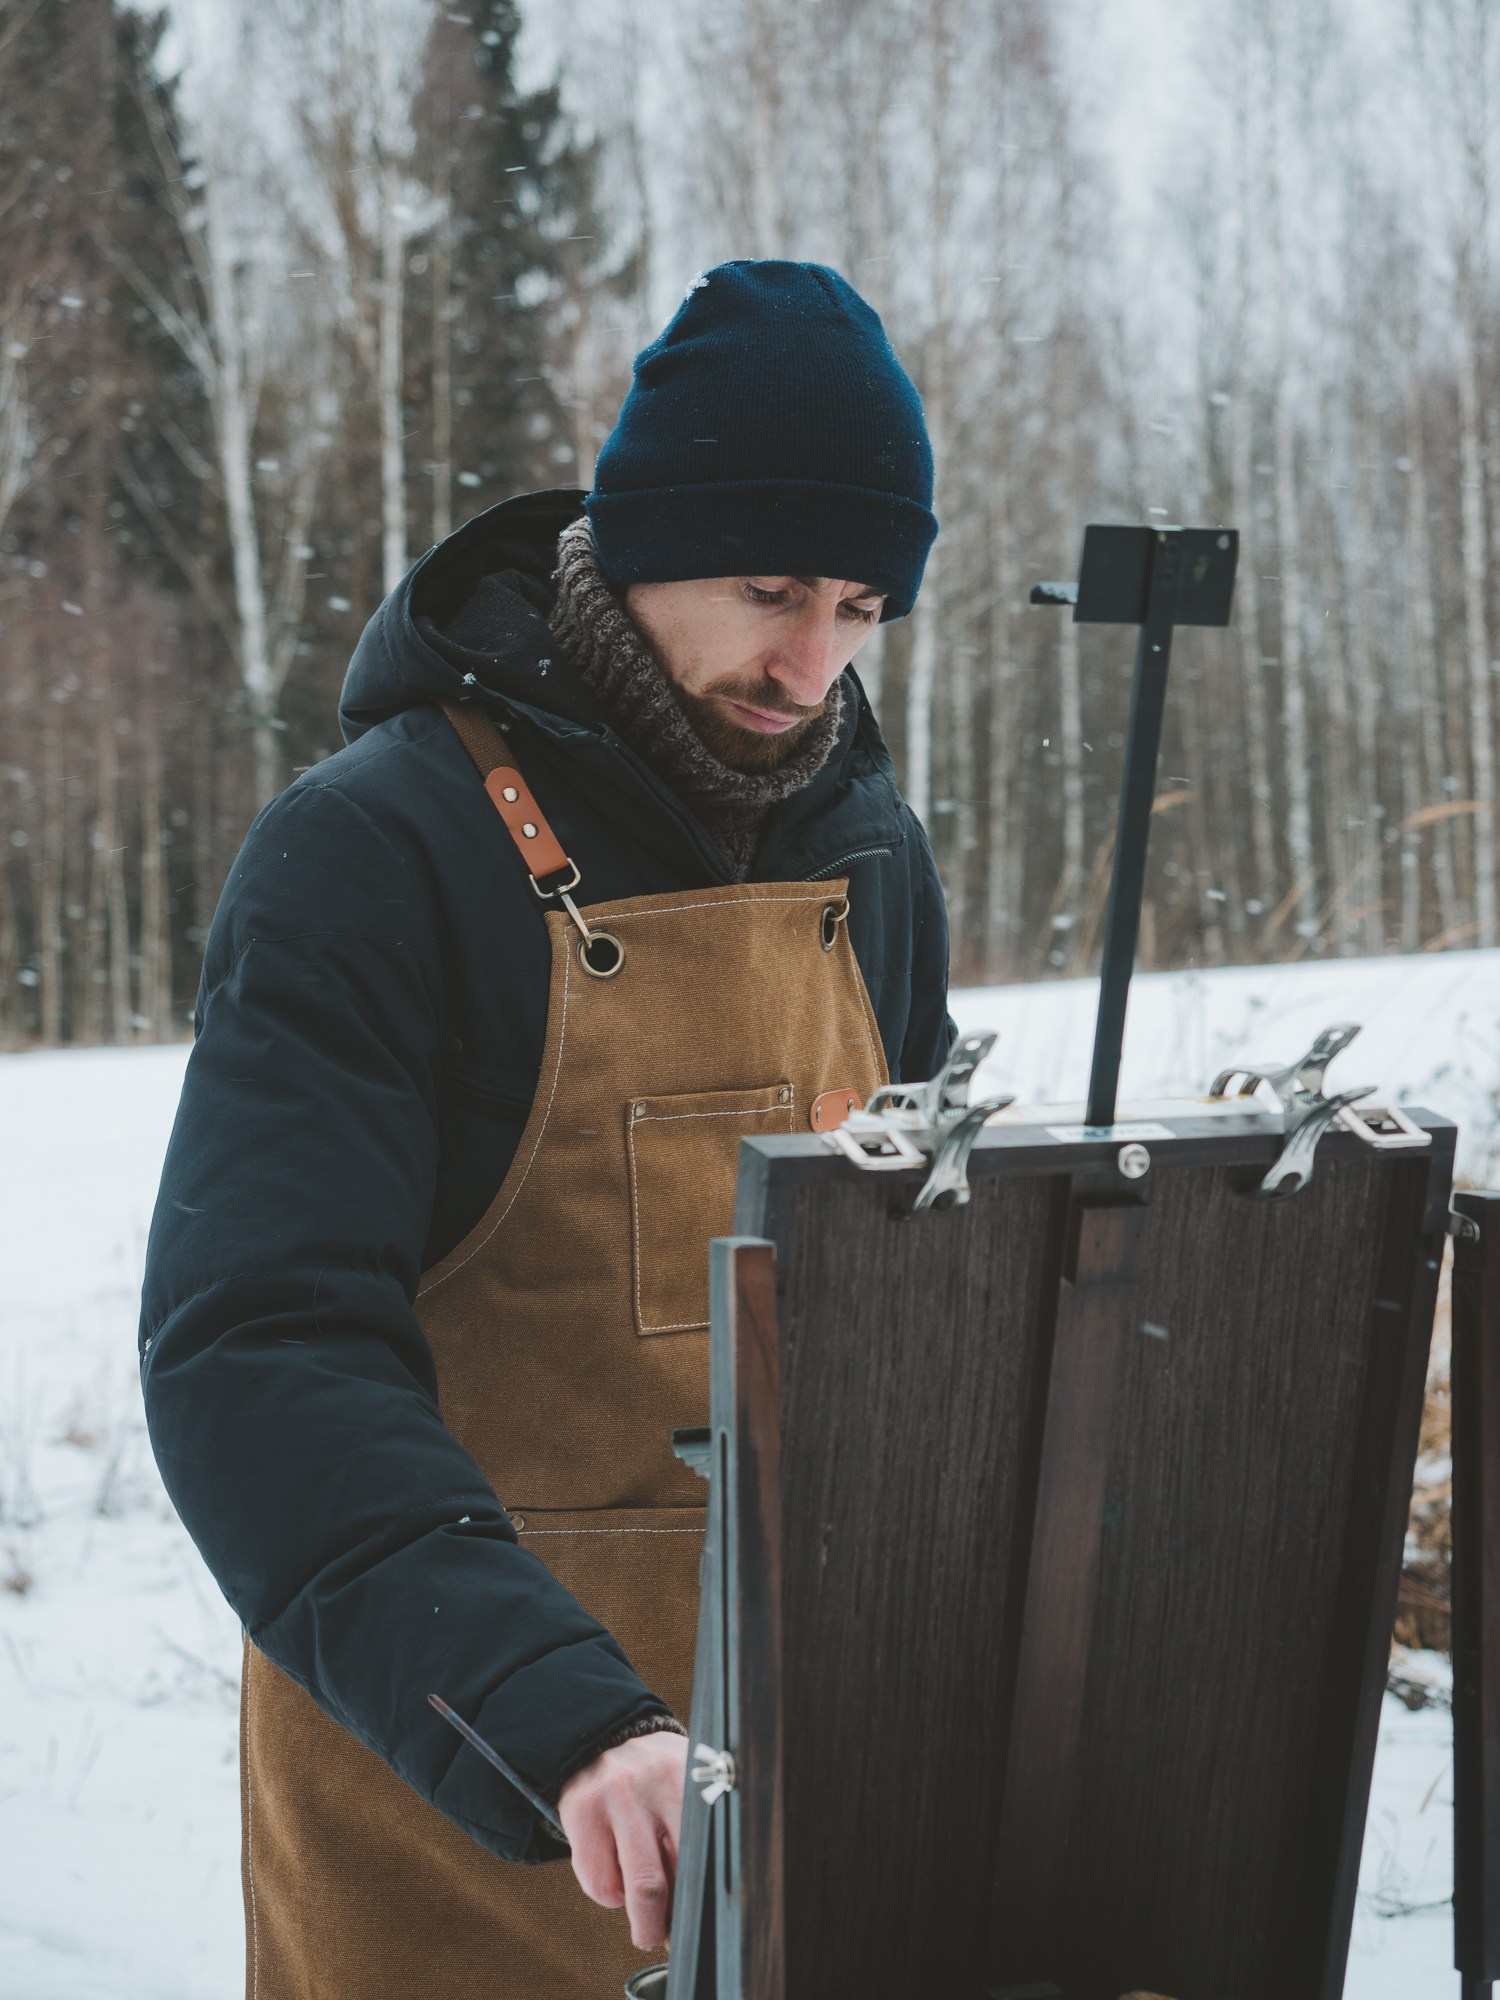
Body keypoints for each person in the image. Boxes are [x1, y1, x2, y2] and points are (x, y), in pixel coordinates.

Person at [140, 258, 954, 1999]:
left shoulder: (871, 856)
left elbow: (913, 1315)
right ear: (643, 545)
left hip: (799, 1806)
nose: (813, 664)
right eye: (768, 589)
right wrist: (557, 1724)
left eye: (864, 608)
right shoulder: (373, 854)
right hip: (457, 1793)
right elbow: (258, 1351)